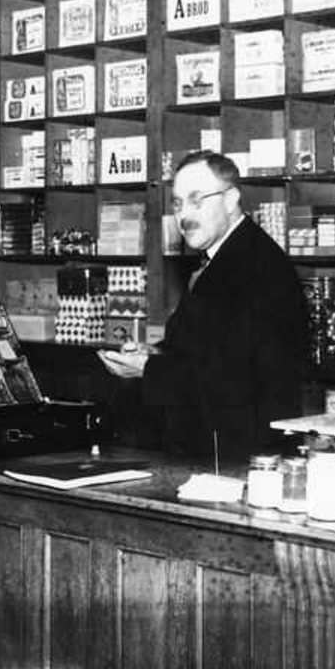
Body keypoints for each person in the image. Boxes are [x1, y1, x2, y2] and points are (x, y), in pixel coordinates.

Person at [98, 150, 307, 459]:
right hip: (214, 448)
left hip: (242, 457)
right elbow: (201, 349)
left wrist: (149, 369)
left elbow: (235, 379)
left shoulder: (258, 267)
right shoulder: (222, 258)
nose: (185, 215)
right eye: (178, 203)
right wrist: (152, 353)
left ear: (230, 199)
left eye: (197, 200)